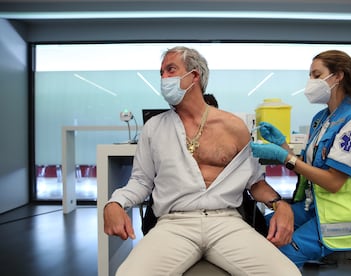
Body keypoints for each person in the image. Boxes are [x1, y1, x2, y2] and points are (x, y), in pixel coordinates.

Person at [104, 46, 300, 275]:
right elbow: (141, 181)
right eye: (161, 74)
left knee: (287, 273)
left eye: (170, 70)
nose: (163, 78)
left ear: (194, 75)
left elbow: (254, 182)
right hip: (174, 223)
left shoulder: (234, 127)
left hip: (226, 221)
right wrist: (115, 203)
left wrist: (281, 205)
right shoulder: (154, 128)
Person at [251, 50, 351, 268]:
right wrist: (283, 145)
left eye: (316, 75)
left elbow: (332, 181)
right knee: (258, 228)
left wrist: (285, 158)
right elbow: (311, 167)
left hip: (345, 218)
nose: (310, 82)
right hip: (319, 208)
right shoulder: (322, 119)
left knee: (275, 255)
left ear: (338, 76)